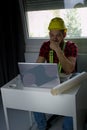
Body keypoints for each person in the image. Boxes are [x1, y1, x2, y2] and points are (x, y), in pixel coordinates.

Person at [33, 17, 78, 130]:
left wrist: (57, 50)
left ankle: (67, 126)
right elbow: (37, 67)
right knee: (34, 92)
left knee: (73, 99)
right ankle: (42, 126)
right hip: (51, 78)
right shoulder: (45, 45)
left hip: (68, 78)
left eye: (58, 35)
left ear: (64, 34)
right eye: (52, 35)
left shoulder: (71, 46)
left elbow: (69, 69)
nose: (54, 38)